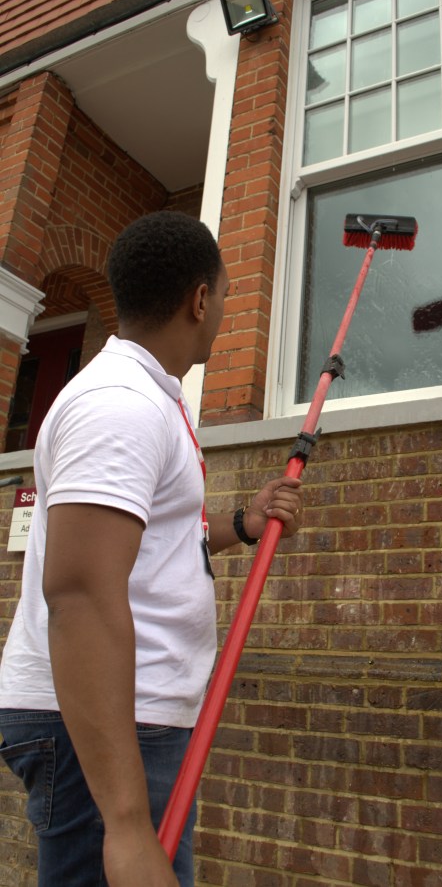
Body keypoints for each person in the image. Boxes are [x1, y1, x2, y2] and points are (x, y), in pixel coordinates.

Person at [0, 211, 302, 887]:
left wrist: (243, 524)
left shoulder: (147, 399)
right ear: (200, 299)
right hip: (104, 725)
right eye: (222, 295)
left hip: (126, 716)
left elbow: (158, 543)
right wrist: (129, 825)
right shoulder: (122, 404)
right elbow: (79, 592)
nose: (222, 310)